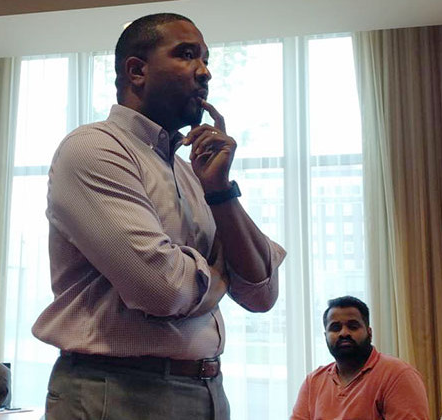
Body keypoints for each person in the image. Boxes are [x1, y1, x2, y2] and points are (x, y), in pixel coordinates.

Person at [31, 12, 285, 420]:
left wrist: (220, 192)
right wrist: (222, 271)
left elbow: (261, 293)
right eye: (187, 55)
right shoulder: (94, 149)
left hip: (206, 390)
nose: (205, 73)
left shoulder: (190, 171)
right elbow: (163, 290)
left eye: (205, 59)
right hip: (116, 391)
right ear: (136, 70)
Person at [291, 296, 429, 420]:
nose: (344, 333)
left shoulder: (397, 376)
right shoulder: (313, 382)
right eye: (335, 327)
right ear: (325, 336)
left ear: (369, 333)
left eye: (353, 326)